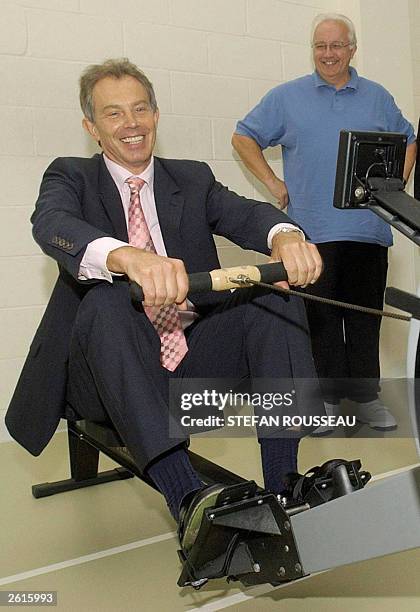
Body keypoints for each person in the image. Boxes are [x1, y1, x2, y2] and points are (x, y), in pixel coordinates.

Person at [5, 58, 323, 550]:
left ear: (155, 114)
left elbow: (245, 211)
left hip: (188, 363)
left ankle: (284, 484)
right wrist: (126, 257)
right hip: (106, 375)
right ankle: (187, 499)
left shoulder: (191, 178)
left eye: (140, 109)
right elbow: (52, 224)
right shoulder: (69, 175)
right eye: (113, 114)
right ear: (91, 127)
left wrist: (285, 235)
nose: (131, 124)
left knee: (273, 299)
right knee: (108, 301)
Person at [232, 13, 417, 435]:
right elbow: (244, 136)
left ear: (352, 49)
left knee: (366, 318)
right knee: (320, 321)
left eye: (336, 46)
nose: (328, 54)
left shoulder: (378, 98)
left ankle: (367, 400)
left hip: (369, 231)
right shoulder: (287, 97)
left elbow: (409, 139)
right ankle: (329, 405)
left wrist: (395, 187)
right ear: (313, 50)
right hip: (311, 234)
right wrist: (273, 183)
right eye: (320, 46)